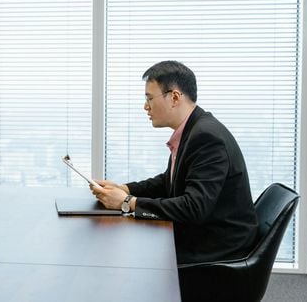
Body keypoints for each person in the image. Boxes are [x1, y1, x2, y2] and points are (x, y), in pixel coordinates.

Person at [91, 60, 258, 266]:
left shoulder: (206, 137)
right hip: (206, 236)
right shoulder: (193, 130)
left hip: (217, 251)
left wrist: (128, 202)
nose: (145, 106)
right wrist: (124, 189)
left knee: (127, 256)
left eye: (149, 98)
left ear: (175, 97)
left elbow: (194, 207)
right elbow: (168, 182)